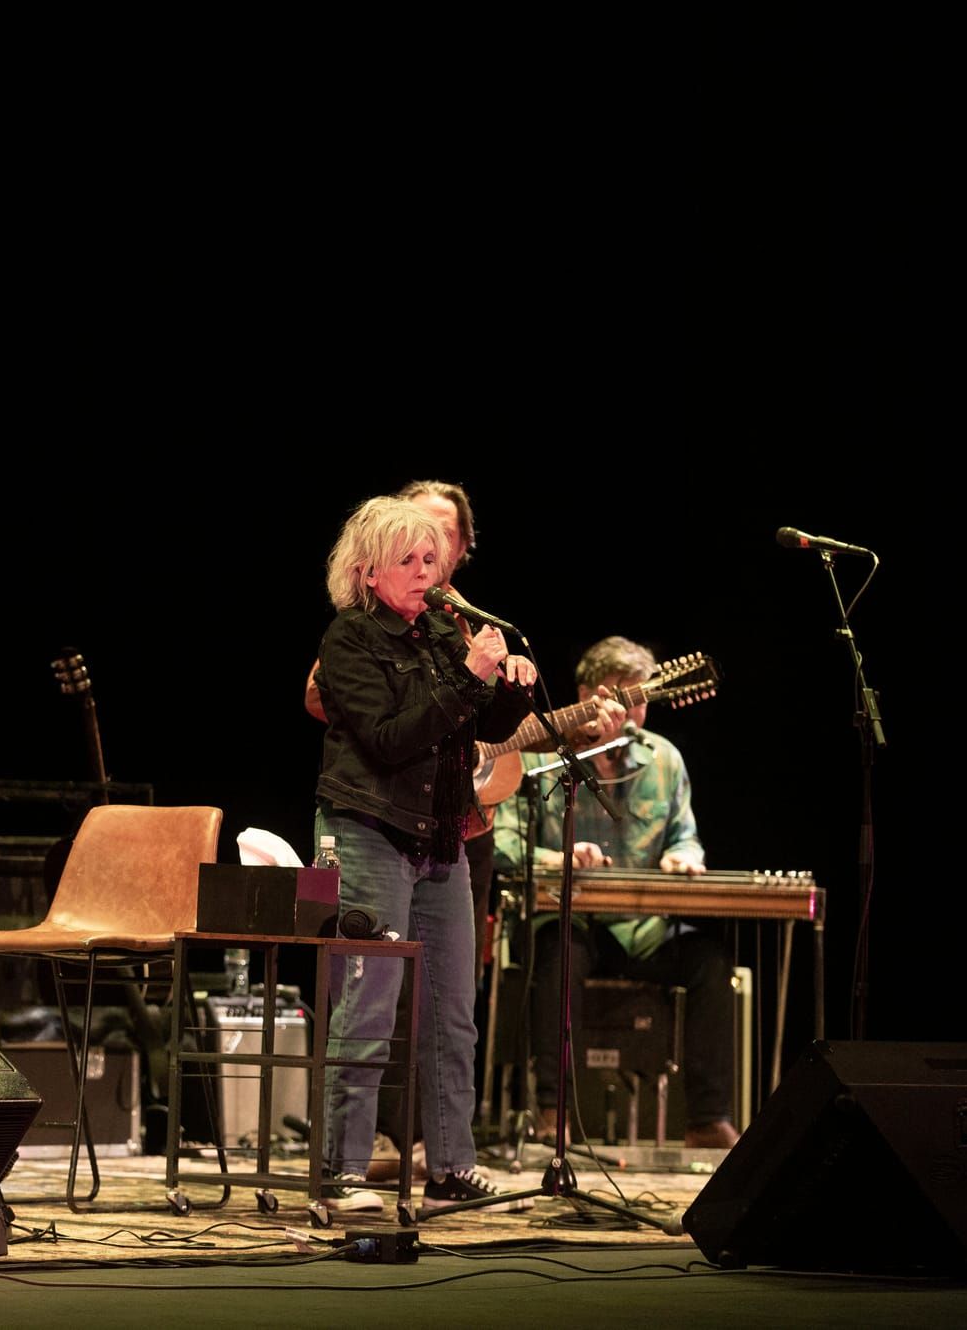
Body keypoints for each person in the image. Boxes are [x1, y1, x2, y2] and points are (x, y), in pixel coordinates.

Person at [313, 496, 537, 1214]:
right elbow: (387, 739)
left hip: (442, 836)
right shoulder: (348, 640)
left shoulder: (442, 632)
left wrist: (510, 687)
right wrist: (469, 677)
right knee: (369, 1004)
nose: (422, 572)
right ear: (368, 573)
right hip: (371, 830)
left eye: (430, 559)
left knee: (452, 1011)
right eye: (406, 561)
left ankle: (452, 1163)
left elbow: (474, 725)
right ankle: (341, 1170)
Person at [493, 636, 740, 1150]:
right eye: (625, 696)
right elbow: (505, 843)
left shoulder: (666, 760)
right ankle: (551, 1113)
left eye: (644, 699)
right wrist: (557, 858)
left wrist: (686, 857)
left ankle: (706, 1119)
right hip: (576, 922)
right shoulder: (541, 757)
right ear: (590, 693)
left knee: (710, 963)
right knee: (558, 954)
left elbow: (686, 835)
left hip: (643, 929)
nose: (634, 712)